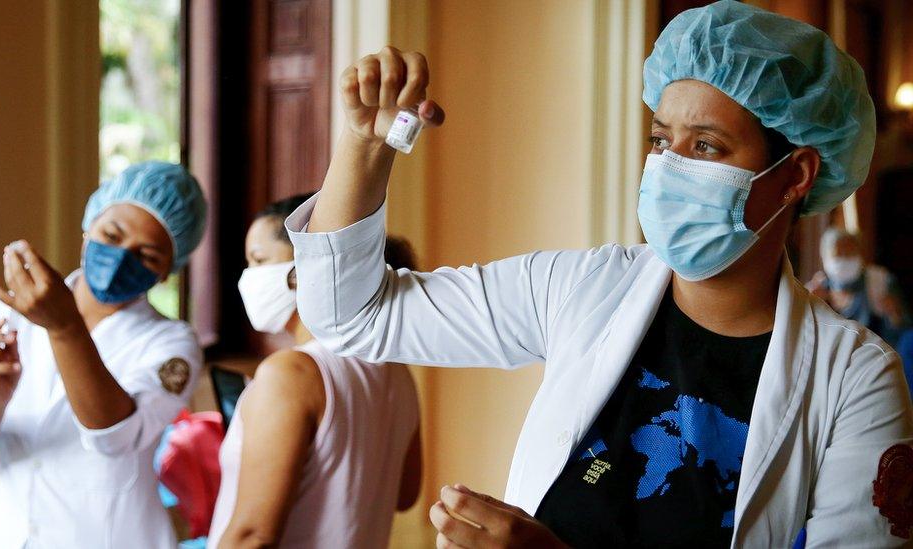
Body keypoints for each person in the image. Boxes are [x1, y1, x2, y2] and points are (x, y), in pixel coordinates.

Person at [283, 1, 913, 547]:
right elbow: (355, 316)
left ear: (797, 174)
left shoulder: (853, 379)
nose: (667, 168)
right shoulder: (582, 288)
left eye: (705, 147)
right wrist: (366, 148)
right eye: (662, 140)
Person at [0, 161, 207, 548]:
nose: (119, 258)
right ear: (87, 228)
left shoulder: (172, 345)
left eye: (146, 256)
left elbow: (114, 438)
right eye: (110, 235)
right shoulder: (6, 314)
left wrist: (64, 326)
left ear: (167, 271)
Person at [207, 194, 422, 549]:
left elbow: (252, 536)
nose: (248, 277)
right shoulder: (397, 372)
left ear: (308, 262)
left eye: (259, 260)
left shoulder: (290, 373)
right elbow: (404, 494)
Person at [807, 227, 910, 347]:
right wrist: (809, 304)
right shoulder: (817, 289)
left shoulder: (879, 282)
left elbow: (903, 331)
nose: (844, 259)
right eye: (838, 254)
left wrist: (894, 314)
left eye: (850, 254)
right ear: (824, 258)